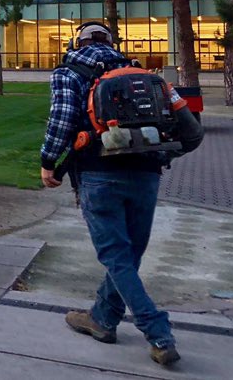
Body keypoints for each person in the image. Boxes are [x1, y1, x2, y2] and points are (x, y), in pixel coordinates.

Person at [40, 22, 179, 366]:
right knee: (129, 254)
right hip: (146, 172)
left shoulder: (69, 70)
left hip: (99, 172)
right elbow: (179, 125)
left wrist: (48, 163)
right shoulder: (140, 71)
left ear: (79, 41)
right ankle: (102, 319)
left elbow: (62, 120)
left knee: (117, 256)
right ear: (112, 42)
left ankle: (157, 331)